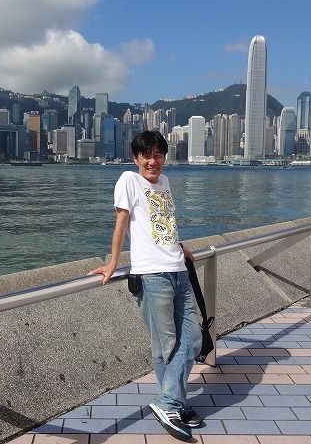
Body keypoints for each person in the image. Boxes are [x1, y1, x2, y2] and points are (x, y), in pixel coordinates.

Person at [90, 130, 203, 441]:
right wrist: (113, 262)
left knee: (192, 338)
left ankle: (170, 401)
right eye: (147, 156)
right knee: (166, 345)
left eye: (158, 155)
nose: (153, 161)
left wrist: (179, 247)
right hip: (152, 276)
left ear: (165, 157)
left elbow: (164, 221)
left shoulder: (165, 181)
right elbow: (122, 222)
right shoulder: (128, 180)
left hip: (178, 270)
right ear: (136, 158)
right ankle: (174, 404)